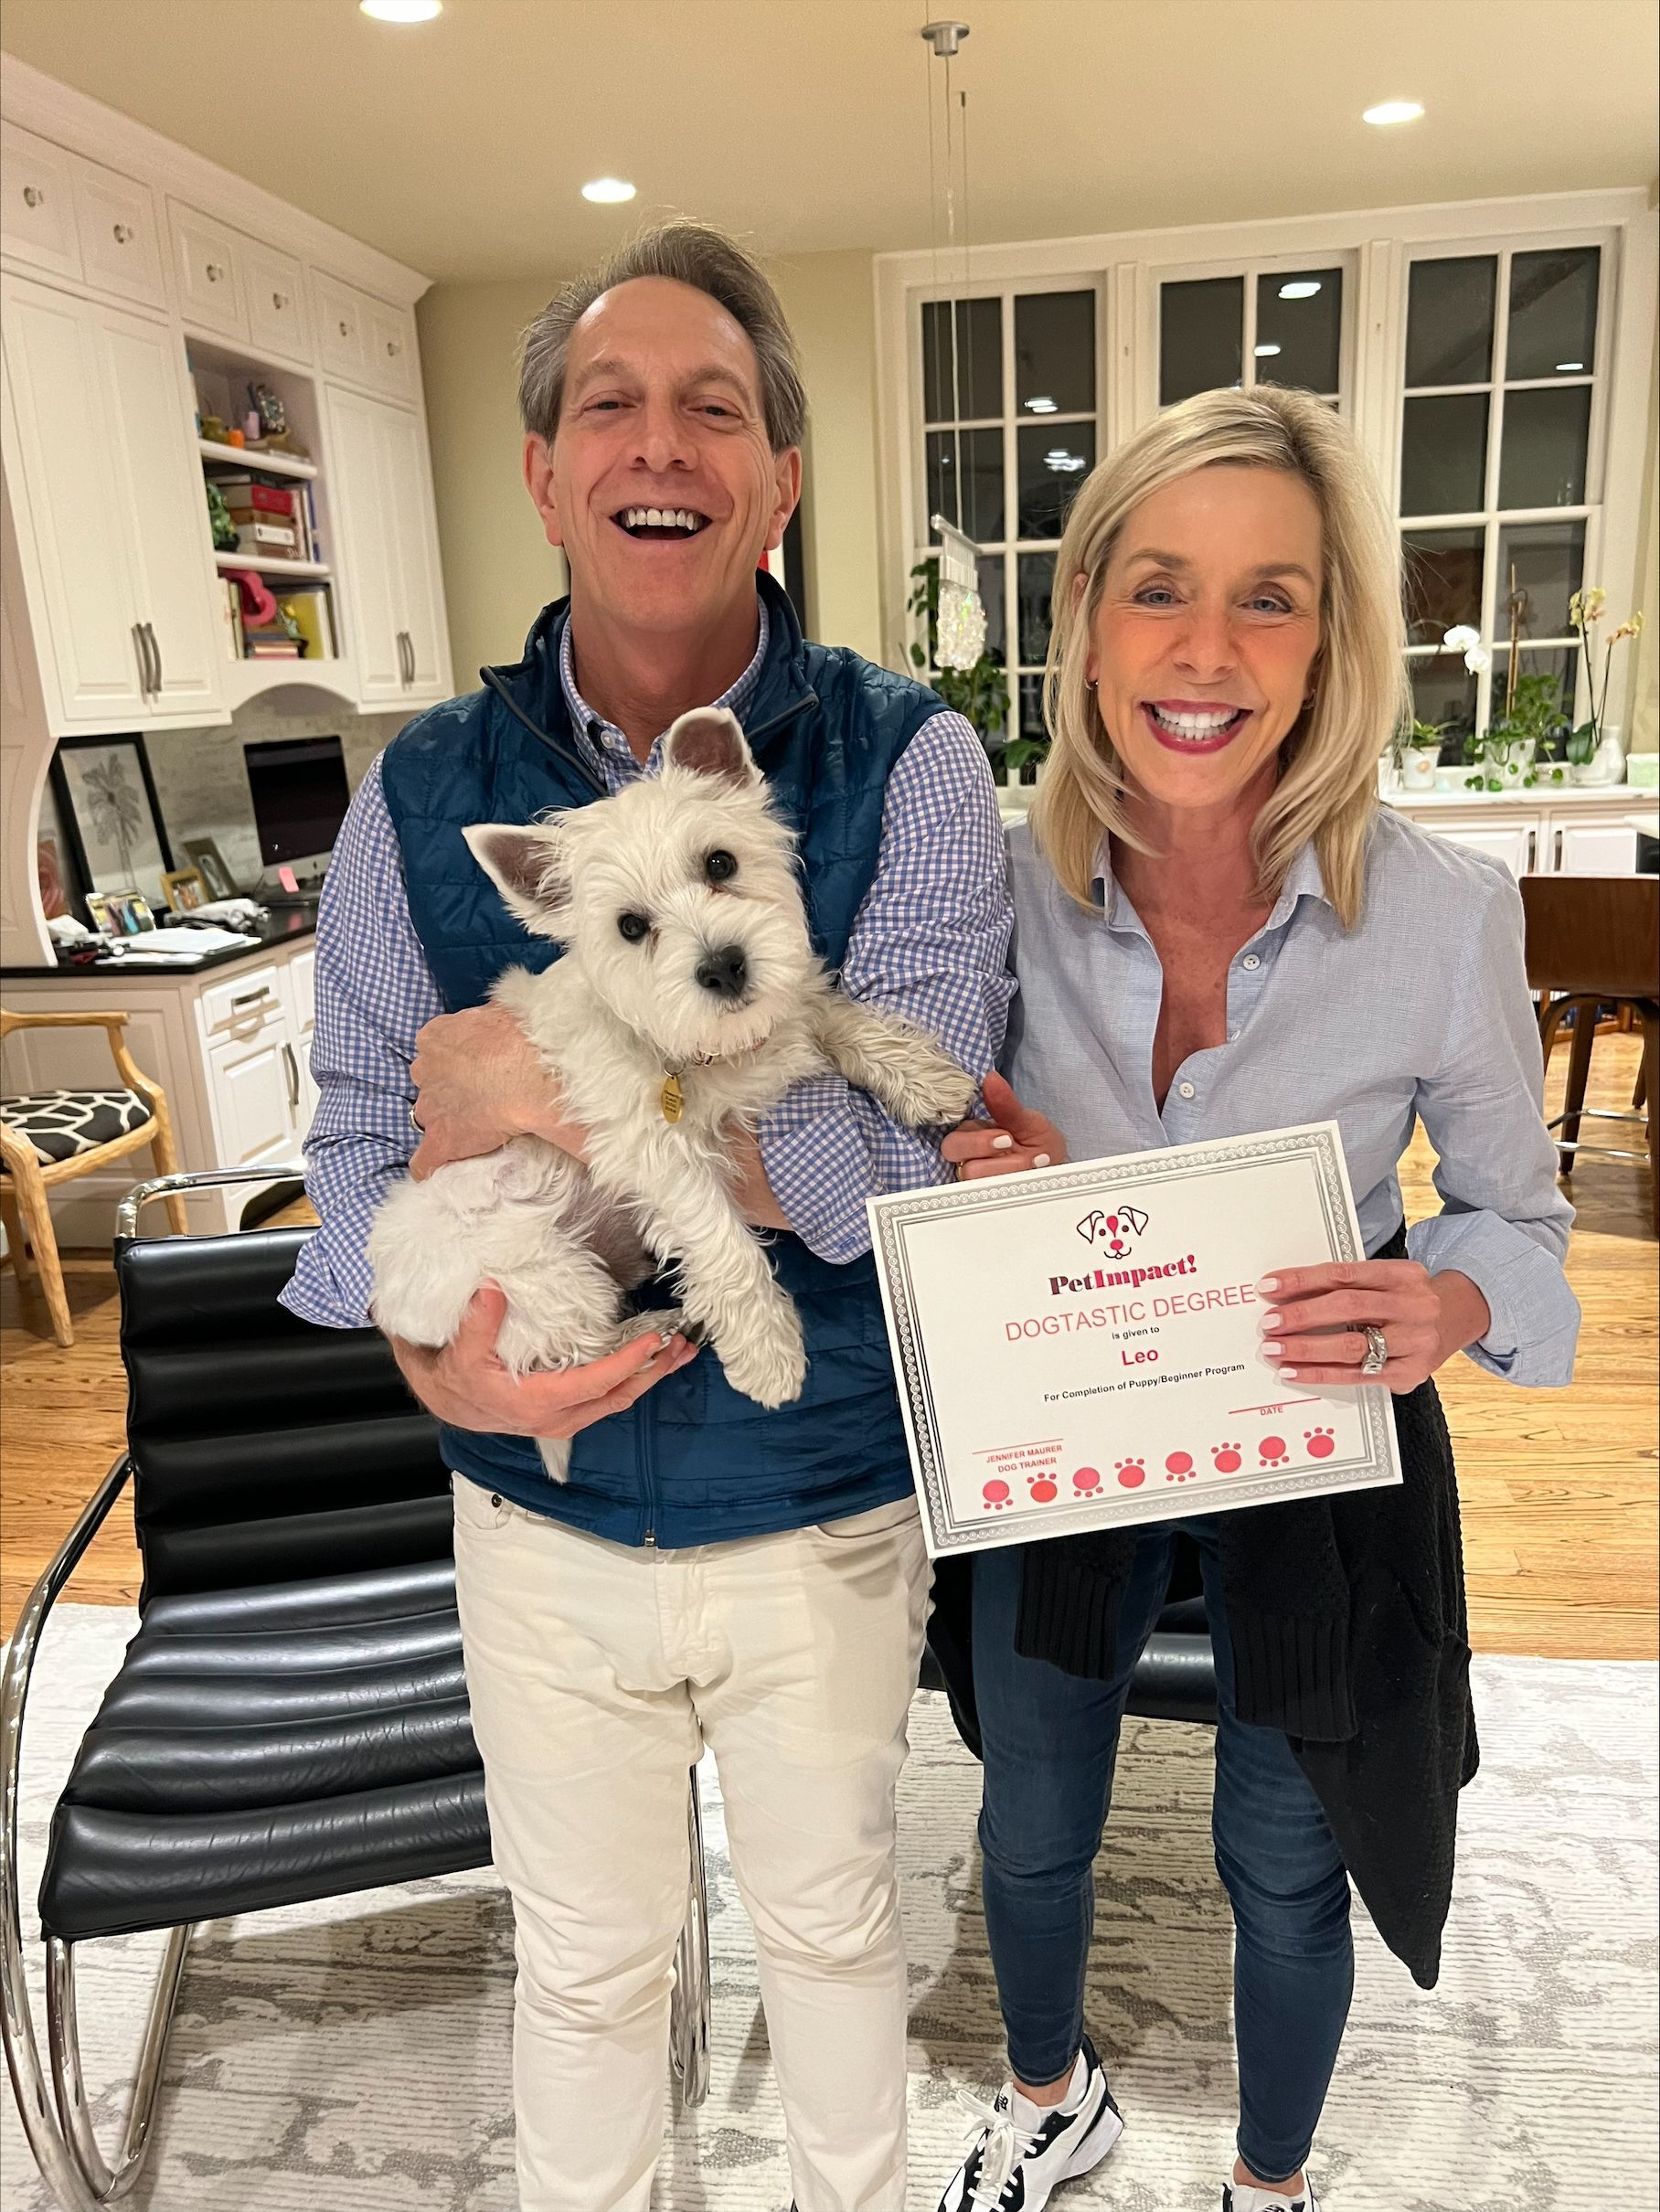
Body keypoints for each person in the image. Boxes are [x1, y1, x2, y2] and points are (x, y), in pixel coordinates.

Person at [282, 221, 1014, 2212]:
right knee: (589, 1969)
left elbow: (928, 1158)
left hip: (822, 1496)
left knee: (835, 1938)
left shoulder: (912, 762)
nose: (659, 443)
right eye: (609, 403)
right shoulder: (421, 795)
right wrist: (440, 1363)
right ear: (543, 473)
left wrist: (548, 1093)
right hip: (539, 1508)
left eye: (715, 408)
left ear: (780, 478)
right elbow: (356, 1144)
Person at [930, 384, 1580, 2212]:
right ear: (1085, 619)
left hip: (1316, 1443)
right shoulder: (986, 894)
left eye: (1266, 598)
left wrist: (1447, 1305)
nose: (1204, 649)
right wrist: (959, 1176)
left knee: (1288, 1861)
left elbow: (1523, 1228)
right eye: (1157, 587)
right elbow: (896, 1151)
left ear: (1328, 638)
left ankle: (1271, 2183)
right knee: (1027, 1817)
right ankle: (1047, 2096)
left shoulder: (1443, 915)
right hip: (1066, 1435)